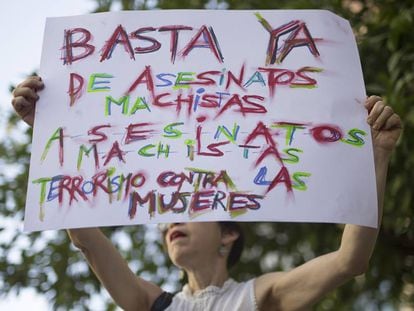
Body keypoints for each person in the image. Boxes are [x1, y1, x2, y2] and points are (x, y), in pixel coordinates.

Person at [12, 75, 402, 311]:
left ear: (228, 233)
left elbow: (351, 259)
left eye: (191, 208)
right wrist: (51, 129)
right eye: (169, 213)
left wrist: (377, 156)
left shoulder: (260, 296)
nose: (172, 219)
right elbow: (84, 237)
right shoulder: (151, 304)